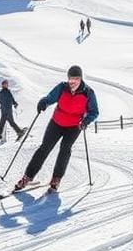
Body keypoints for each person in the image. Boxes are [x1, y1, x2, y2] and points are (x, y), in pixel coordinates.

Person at [11, 65, 98, 194]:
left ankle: (56, 179)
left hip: (74, 126)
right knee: (44, 148)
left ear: (81, 79)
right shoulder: (62, 87)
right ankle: (27, 177)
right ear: (68, 79)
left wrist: (85, 121)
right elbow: (51, 97)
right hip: (56, 122)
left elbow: (94, 112)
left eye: (76, 78)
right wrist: (44, 102)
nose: (73, 82)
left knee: (65, 150)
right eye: (71, 79)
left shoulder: (88, 93)